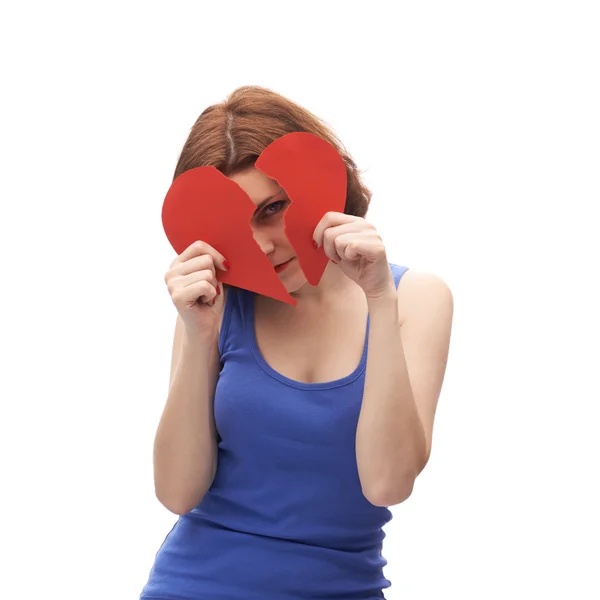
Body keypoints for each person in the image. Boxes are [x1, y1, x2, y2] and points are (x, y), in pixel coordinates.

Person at [139, 86, 453, 600]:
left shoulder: (414, 298)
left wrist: (378, 297)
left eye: (272, 208)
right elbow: (176, 492)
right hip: (194, 586)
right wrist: (199, 336)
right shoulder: (217, 305)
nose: (261, 243)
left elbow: (387, 484)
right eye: (233, 224)